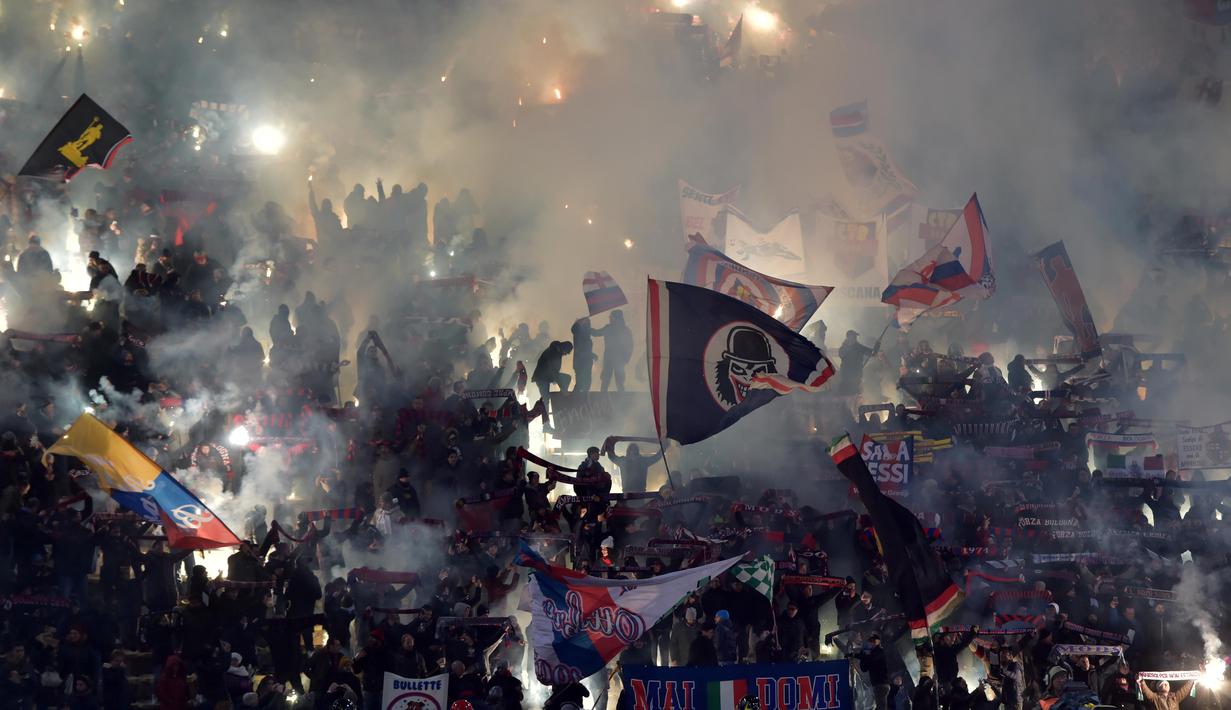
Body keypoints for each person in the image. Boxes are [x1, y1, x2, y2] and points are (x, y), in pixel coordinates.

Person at [594, 310, 633, 392]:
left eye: (610, 317)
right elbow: (630, 345)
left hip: (613, 358)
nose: (609, 318)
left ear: (615, 318)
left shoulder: (610, 328)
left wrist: (585, 328)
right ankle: (620, 398)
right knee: (617, 381)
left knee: (607, 380)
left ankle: (603, 397)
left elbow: (596, 333)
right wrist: (626, 358)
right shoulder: (625, 330)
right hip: (617, 359)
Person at [853, 633, 890, 710]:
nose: (871, 643)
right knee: (880, 706)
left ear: (878, 642)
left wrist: (861, 655)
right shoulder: (873, 653)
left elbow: (871, 659)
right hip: (878, 684)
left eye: (873, 641)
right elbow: (864, 668)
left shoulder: (879, 652)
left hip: (881, 684)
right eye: (870, 642)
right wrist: (860, 656)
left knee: (881, 707)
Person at [570, 318, 596, 393]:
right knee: (580, 384)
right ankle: (573, 400)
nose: (588, 324)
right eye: (586, 323)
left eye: (588, 323)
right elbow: (574, 329)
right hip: (580, 363)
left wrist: (592, 355)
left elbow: (586, 350)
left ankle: (583, 399)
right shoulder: (578, 334)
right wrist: (578, 322)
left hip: (587, 363)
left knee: (587, 383)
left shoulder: (587, 336)